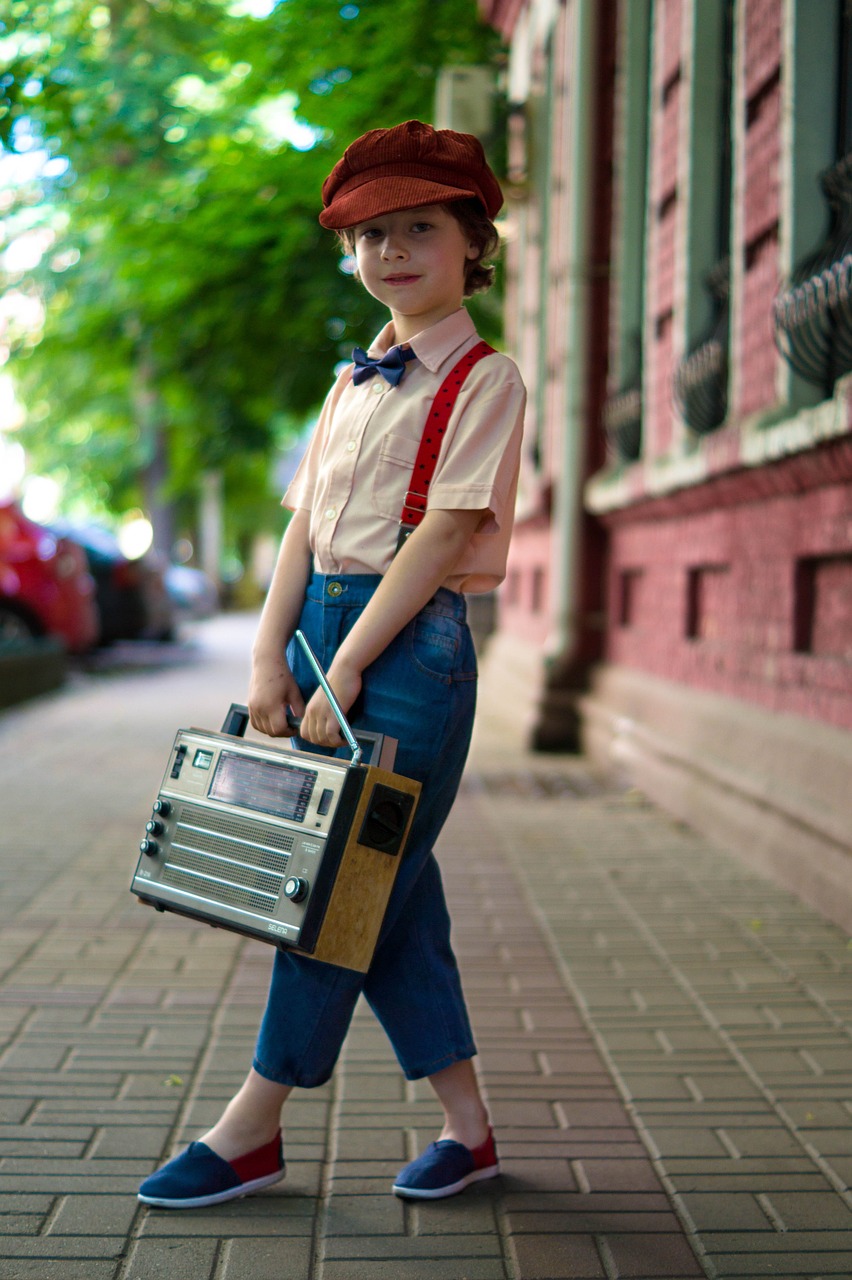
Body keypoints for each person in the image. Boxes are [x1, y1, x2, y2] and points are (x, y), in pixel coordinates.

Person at [137, 119, 526, 1209]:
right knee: (389, 895)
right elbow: (302, 529)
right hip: (324, 629)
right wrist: (271, 654)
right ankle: (469, 1127)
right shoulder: (351, 380)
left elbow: (444, 537)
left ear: (471, 245)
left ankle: (250, 1125)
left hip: (411, 642)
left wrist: (347, 666)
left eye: (420, 228)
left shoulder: (486, 379)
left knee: (332, 887)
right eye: (372, 235)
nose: (393, 252)